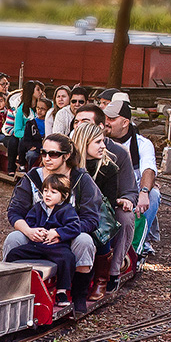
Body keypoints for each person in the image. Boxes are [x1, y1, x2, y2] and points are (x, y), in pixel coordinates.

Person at [3, 133, 101, 315]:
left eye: (53, 154)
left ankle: (78, 294)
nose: (47, 158)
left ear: (66, 155)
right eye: (44, 152)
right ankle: (11, 292)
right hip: (36, 232)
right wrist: (29, 230)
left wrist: (60, 233)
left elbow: (91, 219)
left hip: (67, 234)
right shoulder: (33, 177)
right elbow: (15, 211)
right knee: (14, 238)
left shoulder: (81, 179)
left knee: (85, 241)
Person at [73, 104, 137, 293]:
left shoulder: (115, 157)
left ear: (99, 127)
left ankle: (111, 272)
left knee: (118, 220)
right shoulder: (67, 153)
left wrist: (125, 199)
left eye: (84, 122)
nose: (78, 125)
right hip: (74, 207)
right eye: (76, 122)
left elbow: (127, 190)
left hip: (103, 209)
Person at [5, 174, 80, 306]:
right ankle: (9, 282)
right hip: (37, 246)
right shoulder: (38, 207)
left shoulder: (67, 210)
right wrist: (35, 230)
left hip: (56, 247)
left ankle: (62, 291)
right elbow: (29, 221)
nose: (48, 195)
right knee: (14, 254)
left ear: (64, 195)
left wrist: (58, 233)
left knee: (67, 258)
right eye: (45, 191)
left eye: (53, 192)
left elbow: (74, 227)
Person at [103, 99, 160, 255]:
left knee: (153, 194)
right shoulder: (98, 141)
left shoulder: (141, 144)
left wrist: (144, 191)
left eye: (112, 119)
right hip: (106, 193)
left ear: (125, 122)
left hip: (131, 193)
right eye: (105, 118)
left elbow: (148, 169)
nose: (107, 123)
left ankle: (136, 245)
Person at [71, 123, 120, 300]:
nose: (103, 146)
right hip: (73, 213)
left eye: (103, 141)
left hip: (98, 215)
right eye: (97, 142)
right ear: (84, 143)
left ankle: (101, 280)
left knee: (101, 232)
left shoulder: (108, 168)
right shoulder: (71, 168)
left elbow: (108, 204)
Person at [8, 80, 44, 175]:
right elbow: (17, 131)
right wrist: (29, 134)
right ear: (31, 91)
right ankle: (18, 166)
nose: (41, 92)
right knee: (15, 141)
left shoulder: (46, 106)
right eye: (38, 90)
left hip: (42, 136)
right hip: (27, 138)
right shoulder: (21, 109)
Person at [19, 97, 52, 169]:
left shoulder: (51, 122)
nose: (39, 111)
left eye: (42, 109)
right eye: (38, 108)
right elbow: (27, 138)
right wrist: (30, 146)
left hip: (47, 148)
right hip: (35, 148)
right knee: (31, 155)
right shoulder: (31, 123)